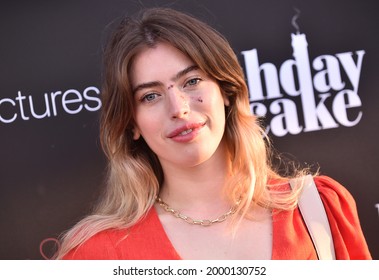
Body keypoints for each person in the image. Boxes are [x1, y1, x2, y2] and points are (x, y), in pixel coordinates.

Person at [56, 7, 371, 260]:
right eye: (150, 96)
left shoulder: (319, 210)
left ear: (226, 90)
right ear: (131, 123)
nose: (178, 107)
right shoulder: (95, 256)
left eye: (191, 81)